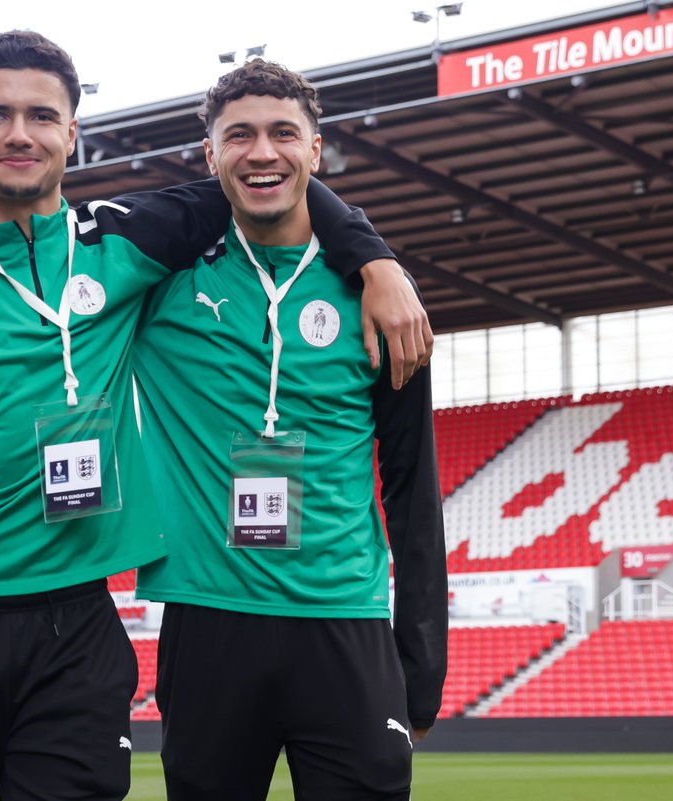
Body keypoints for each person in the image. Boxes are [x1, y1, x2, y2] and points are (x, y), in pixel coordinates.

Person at [0, 30, 419, 801]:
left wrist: (373, 255)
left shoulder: (122, 244)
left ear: (72, 132)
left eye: (41, 115)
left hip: (75, 624)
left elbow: (267, 177)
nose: (19, 134)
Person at [128, 60, 448, 800]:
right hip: (208, 623)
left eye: (282, 134)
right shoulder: (160, 282)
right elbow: (45, 235)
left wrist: (421, 662)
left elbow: (411, 483)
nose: (261, 152)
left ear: (315, 149)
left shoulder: (384, 301)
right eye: (238, 136)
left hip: (345, 625)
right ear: (211, 157)